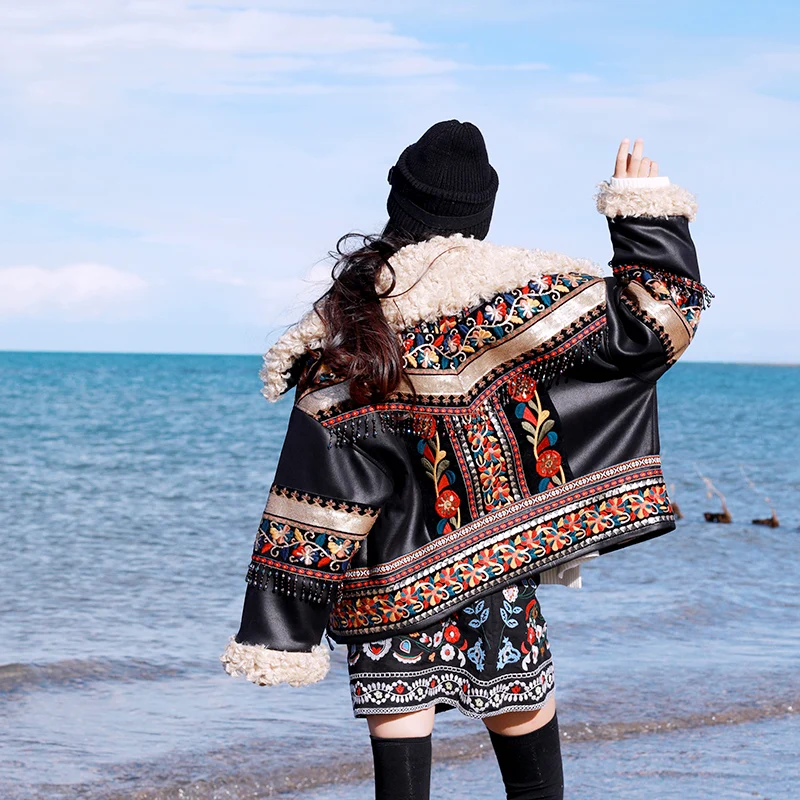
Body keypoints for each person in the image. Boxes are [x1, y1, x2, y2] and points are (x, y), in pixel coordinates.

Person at [221, 121, 710, 800]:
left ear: (398, 205)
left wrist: (282, 632)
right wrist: (641, 214)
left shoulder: (354, 324)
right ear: (483, 213)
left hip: (387, 588)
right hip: (496, 569)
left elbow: (316, 498)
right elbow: (659, 321)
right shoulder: (523, 302)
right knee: (532, 778)